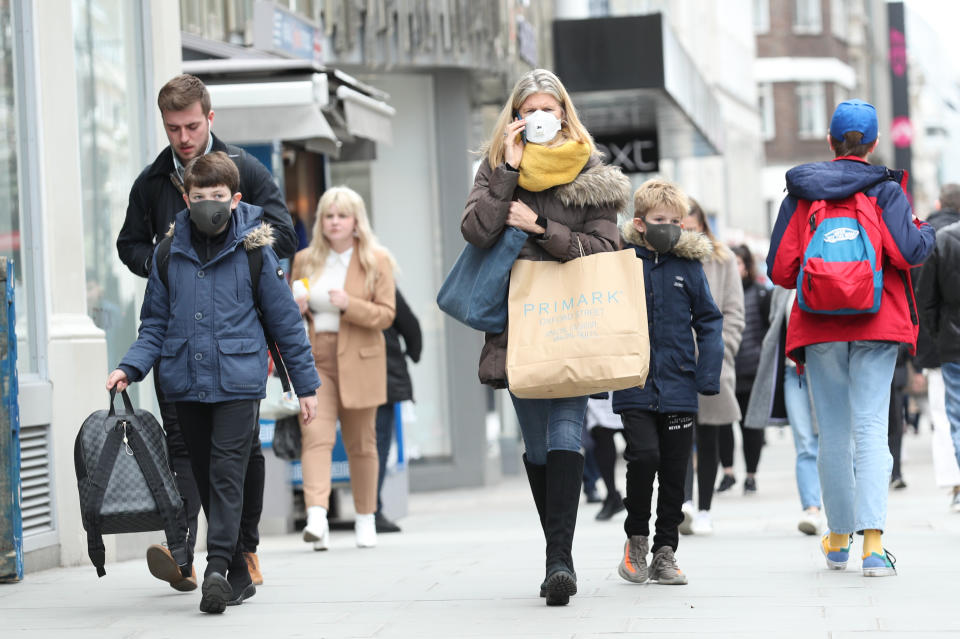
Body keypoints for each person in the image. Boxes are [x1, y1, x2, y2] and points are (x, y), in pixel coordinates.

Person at [106, 152, 320, 613]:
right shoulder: (167, 253)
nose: (208, 204)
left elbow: (285, 325)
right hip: (184, 382)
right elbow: (154, 325)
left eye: (217, 197)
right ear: (185, 199)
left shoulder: (256, 251)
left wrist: (304, 386)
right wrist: (130, 367)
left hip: (239, 383)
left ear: (235, 198)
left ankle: (218, 569)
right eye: (199, 196)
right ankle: (238, 575)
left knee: (225, 474)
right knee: (203, 473)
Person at [461, 68, 628, 606]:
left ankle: (560, 559)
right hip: (516, 323)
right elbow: (477, 231)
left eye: (547, 109)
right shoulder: (492, 170)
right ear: (515, 118)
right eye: (527, 109)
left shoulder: (592, 173)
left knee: (566, 431)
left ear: (563, 113)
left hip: (573, 317)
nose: (538, 117)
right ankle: (559, 550)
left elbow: (606, 251)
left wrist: (540, 229)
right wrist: (508, 169)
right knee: (537, 446)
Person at [767, 99, 935, 577]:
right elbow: (908, 252)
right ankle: (874, 546)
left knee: (833, 435)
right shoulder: (886, 191)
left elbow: (779, 269)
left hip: (819, 326)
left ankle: (838, 539)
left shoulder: (801, 193)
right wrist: (920, 229)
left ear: (829, 141)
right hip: (877, 323)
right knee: (870, 428)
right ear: (875, 144)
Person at [612, 178, 723, 587]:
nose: (670, 227)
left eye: (676, 220)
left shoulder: (688, 268)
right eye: (661, 220)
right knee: (644, 457)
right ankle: (636, 541)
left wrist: (706, 374)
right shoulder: (620, 261)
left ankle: (665, 552)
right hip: (634, 382)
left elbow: (709, 320)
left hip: (679, 385)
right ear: (640, 223)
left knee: (675, 470)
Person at [290, 186, 396, 551]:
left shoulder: (375, 259)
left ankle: (365, 517)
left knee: (362, 444)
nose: (334, 222)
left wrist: (350, 304)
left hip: (361, 356)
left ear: (355, 222)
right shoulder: (305, 259)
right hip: (316, 358)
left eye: (342, 215)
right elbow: (290, 312)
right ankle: (317, 516)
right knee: (315, 437)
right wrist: (298, 306)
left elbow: (386, 315)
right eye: (328, 215)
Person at [679, 200, 744, 537]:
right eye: (681, 228)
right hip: (676, 360)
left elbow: (734, 310)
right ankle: (684, 503)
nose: (687, 235)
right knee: (678, 432)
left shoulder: (723, 259)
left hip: (713, 359)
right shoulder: (669, 256)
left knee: (708, 434)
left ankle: (704, 508)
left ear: (703, 225)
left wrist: (724, 348)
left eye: (692, 228)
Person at [744, 286, 823, 535]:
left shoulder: (829, 267)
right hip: (794, 372)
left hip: (826, 371)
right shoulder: (783, 287)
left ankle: (841, 510)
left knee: (832, 441)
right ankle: (811, 509)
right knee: (804, 442)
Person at [916, 219, 960, 492]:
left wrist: (938, 333)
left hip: (953, 343)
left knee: (956, 416)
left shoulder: (943, 240)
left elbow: (926, 298)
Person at [374, 287, 422, 533]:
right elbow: (411, 325)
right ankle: (372, 509)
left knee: (364, 445)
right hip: (383, 374)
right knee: (377, 444)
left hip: (372, 375)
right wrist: (412, 354)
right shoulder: (381, 283)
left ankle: (369, 508)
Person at [730, 244, 771, 491]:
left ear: (747, 266)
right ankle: (727, 471)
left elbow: (768, 330)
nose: (735, 268)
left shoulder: (760, 293)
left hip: (752, 371)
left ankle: (751, 474)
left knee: (751, 426)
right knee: (725, 424)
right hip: (726, 369)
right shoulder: (720, 293)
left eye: (739, 263)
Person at [586, 394, 626, 520]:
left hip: (627, 387)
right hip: (599, 387)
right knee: (601, 434)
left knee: (643, 449)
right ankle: (612, 495)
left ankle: (639, 495)